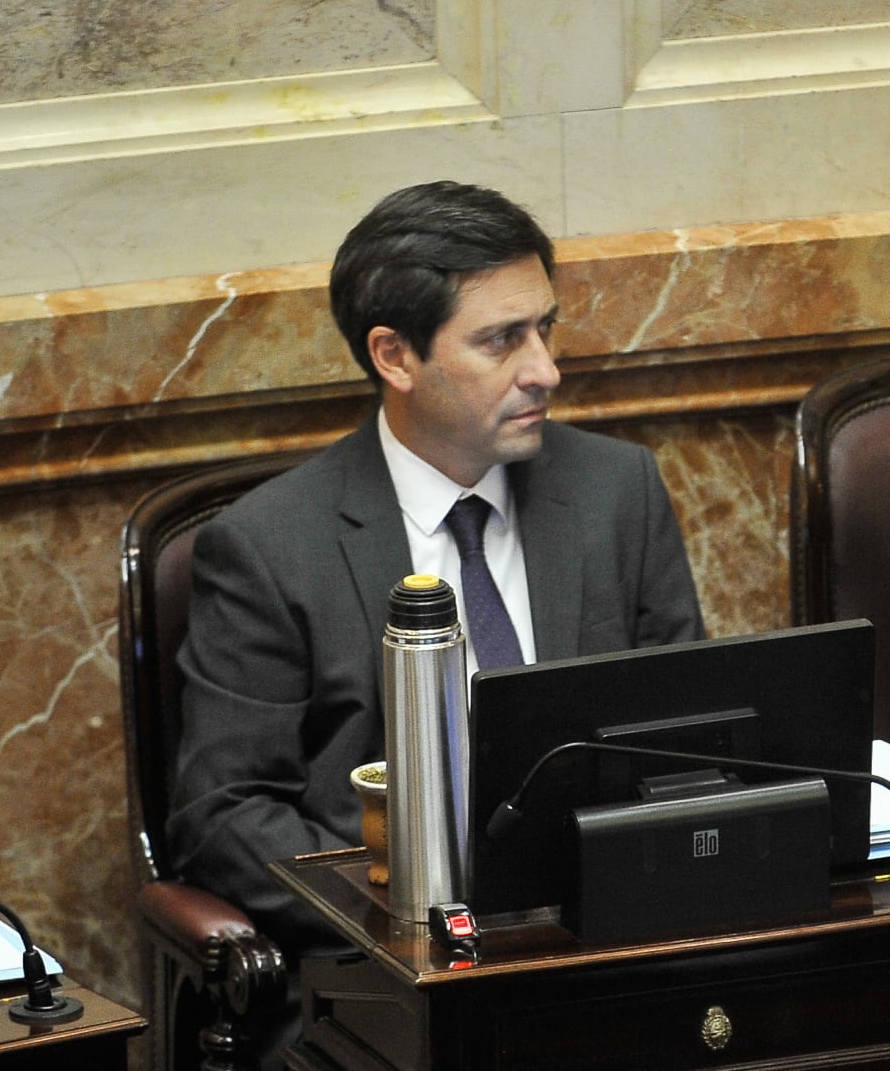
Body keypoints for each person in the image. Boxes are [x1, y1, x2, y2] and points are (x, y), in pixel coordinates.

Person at [166, 181, 704, 998]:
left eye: (545, 329)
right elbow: (224, 818)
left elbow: (688, 738)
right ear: (395, 357)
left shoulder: (616, 491)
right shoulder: (270, 547)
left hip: (609, 951)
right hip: (391, 975)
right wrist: (421, 910)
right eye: (501, 341)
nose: (545, 370)